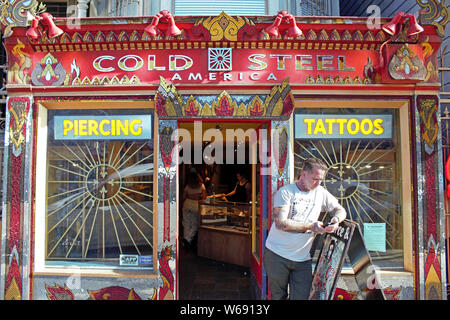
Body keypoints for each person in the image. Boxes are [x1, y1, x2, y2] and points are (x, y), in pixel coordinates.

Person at [263, 157, 347, 300]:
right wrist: (311, 226)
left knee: (302, 296)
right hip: (277, 254)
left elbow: (340, 210)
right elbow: (280, 223)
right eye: (315, 178)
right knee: (278, 296)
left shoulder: (321, 192)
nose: (319, 183)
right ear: (303, 174)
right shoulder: (286, 192)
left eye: (321, 179)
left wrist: (336, 220)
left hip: (302, 258)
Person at [181, 169, 206, 250]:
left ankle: (185, 243)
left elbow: (183, 197)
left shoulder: (188, 186)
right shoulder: (201, 185)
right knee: (195, 224)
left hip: (187, 204)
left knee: (186, 223)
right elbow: (204, 198)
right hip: (196, 204)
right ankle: (187, 239)